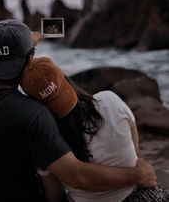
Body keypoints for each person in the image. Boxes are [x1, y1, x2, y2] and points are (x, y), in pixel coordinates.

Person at [0, 19, 157, 202]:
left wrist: (24, 44)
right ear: (30, 59)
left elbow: (4, 61)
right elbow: (77, 176)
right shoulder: (32, 114)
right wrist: (137, 175)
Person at [20, 57, 169, 202]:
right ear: (65, 77)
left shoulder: (45, 140)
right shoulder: (109, 100)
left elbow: (55, 196)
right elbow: (135, 146)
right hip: (143, 196)